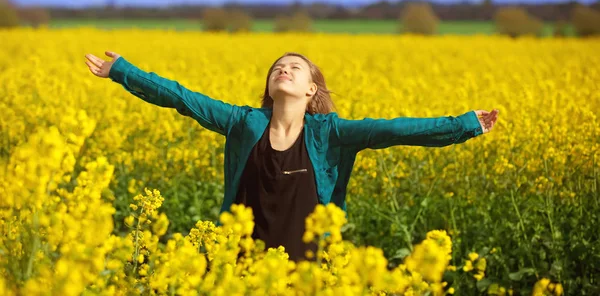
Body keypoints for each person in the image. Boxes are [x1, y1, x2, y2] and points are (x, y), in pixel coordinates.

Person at [85, 50, 499, 262]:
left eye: (295, 68)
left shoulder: (330, 134)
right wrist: (122, 71)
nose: (284, 69)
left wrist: (464, 124)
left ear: (311, 91)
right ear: (269, 86)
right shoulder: (242, 123)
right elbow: (181, 98)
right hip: (239, 270)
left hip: (308, 275)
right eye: (277, 67)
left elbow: (395, 130)